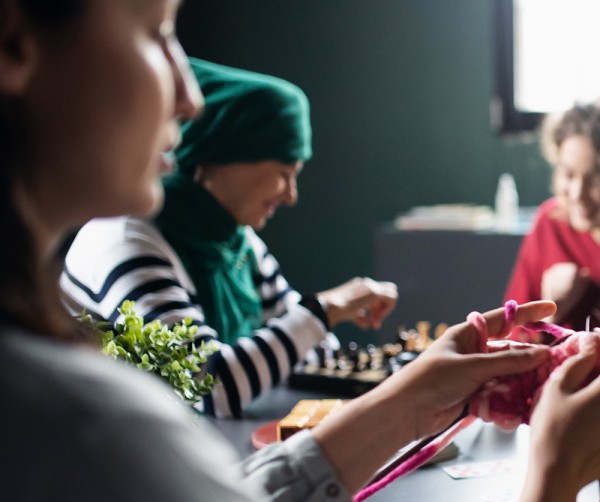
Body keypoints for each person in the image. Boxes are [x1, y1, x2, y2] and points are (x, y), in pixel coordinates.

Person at [2, 1, 599, 502]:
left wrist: (408, 399)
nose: (188, 96)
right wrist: (551, 483)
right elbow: (219, 381)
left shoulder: (226, 253)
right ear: (13, 42)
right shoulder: (83, 428)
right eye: (155, 33)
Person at [60, 57, 398, 418]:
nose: (290, 195)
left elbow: (305, 349)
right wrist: (327, 309)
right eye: (284, 172)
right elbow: (205, 386)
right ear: (225, 156)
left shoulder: (238, 240)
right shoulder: (126, 240)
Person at [505, 101, 600, 332]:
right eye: (568, 174)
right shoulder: (549, 224)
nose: (578, 194)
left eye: (596, 177)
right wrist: (550, 310)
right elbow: (510, 336)